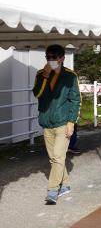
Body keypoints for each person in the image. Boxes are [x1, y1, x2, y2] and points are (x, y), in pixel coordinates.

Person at [32, 45, 80, 204]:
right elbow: (37, 93)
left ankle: (52, 190)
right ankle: (65, 184)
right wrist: (45, 76)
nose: (50, 60)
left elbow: (75, 100)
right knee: (54, 158)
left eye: (54, 57)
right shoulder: (41, 74)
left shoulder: (70, 76)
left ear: (62, 58)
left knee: (58, 156)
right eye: (48, 57)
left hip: (62, 122)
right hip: (47, 122)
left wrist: (71, 122)